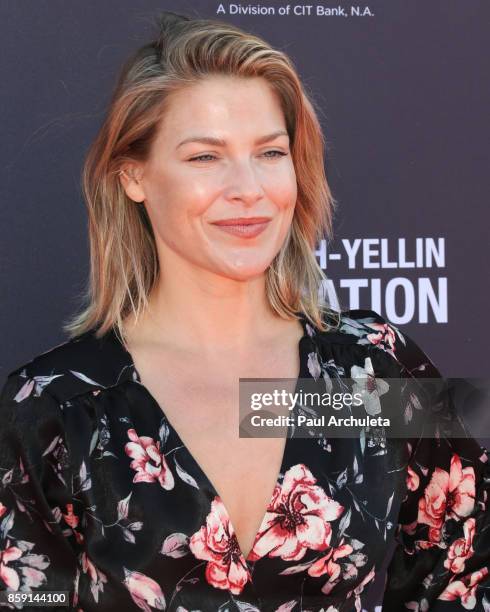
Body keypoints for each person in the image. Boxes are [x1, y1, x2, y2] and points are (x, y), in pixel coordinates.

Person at [0, 11, 489, 612]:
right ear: (133, 177)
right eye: (205, 157)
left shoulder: (372, 368)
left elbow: (462, 574)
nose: (248, 188)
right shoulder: (59, 406)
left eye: (270, 152)